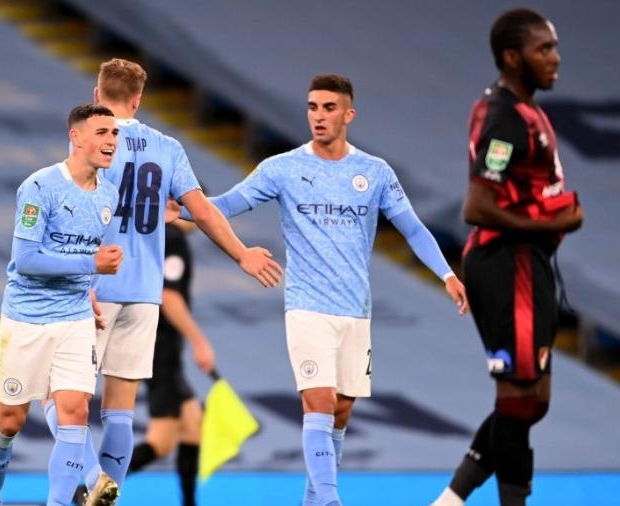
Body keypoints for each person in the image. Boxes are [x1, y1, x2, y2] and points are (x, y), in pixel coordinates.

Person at [182, 74, 468, 506]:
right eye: (313, 107)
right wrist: (184, 210)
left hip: (355, 310)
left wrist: (446, 274)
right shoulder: (283, 168)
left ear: (348, 114)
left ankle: (314, 502)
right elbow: (227, 204)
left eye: (329, 108)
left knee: (340, 412)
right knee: (318, 401)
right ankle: (332, 502)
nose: (319, 116)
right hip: (306, 306)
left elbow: (412, 227)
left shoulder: (374, 173)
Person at [42, 58, 283, 506]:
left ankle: (93, 477)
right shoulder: (167, 149)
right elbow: (205, 211)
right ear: (138, 100)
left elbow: (70, 211)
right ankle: (107, 496)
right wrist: (242, 253)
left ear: (97, 96)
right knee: (119, 412)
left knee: (58, 402)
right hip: (144, 295)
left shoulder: (95, 143)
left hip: (94, 288)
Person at [430, 8, 583, 506]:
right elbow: (478, 207)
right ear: (513, 57)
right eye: (544, 49)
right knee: (518, 399)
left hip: (527, 263)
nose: (555, 58)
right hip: (507, 265)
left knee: (533, 401)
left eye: (555, 47)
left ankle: (450, 501)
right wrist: (552, 222)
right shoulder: (504, 119)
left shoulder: (522, 109)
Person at [0, 103, 123, 506]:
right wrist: (91, 264)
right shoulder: (39, 188)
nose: (111, 141)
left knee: (75, 411)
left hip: (74, 315)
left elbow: (82, 252)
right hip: (27, 318)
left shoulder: (109, 194)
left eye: (114, 134)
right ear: (76, 137)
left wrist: (89, 286)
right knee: (10, 422)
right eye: (102, 133)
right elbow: (25, 261)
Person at [127, 216, 212, 506]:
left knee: (192, 423)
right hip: (160, 350)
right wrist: (200, 342)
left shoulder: (154, 235)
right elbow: (169, 296)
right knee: (161, 441)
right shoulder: (174, 239)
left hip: (157, 346)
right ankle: (85, 493)